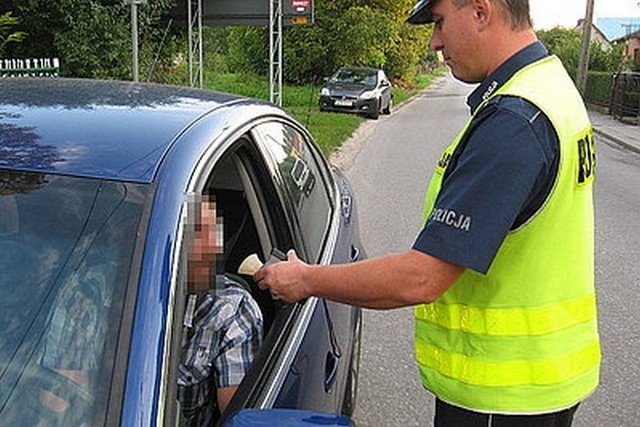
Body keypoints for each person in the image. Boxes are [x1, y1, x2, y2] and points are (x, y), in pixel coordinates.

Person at [254, 0, 600, 426]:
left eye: (439, 23)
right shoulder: (550, 85)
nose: (435, 42)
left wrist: (305, 280)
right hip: (543, 379)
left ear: (480, 10)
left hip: (501, 395)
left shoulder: (515, 121)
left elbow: (421, 278)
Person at [178, 197, 263, 426]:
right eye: (195, 231)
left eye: (213, 231)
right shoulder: (97, 286)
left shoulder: (232, 310)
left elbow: (236, 419)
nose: (213, 247)